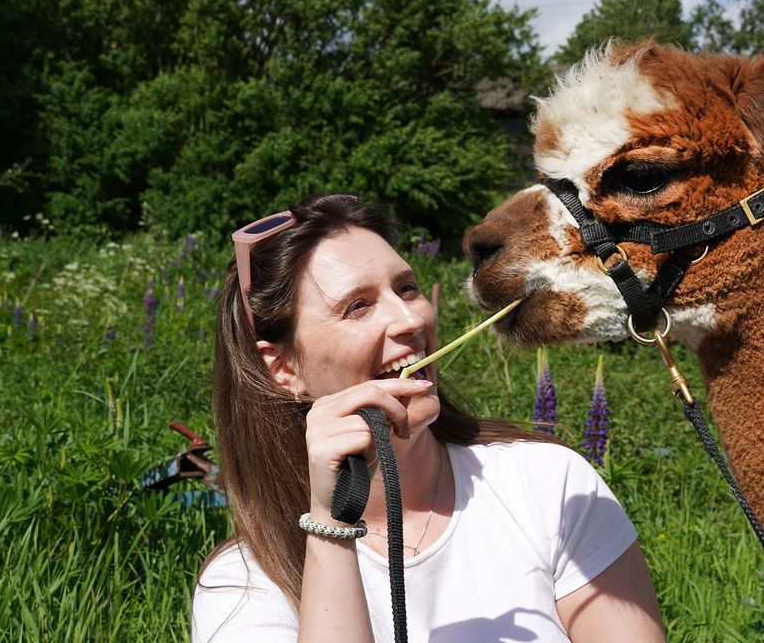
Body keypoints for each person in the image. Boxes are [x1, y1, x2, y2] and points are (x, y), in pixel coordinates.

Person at [191, 194, 665, 642]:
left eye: (407, 288)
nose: (411, 320)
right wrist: (332, 524)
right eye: (358, 306)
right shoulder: (241, 587)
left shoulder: (548, 484)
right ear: (284, 369)